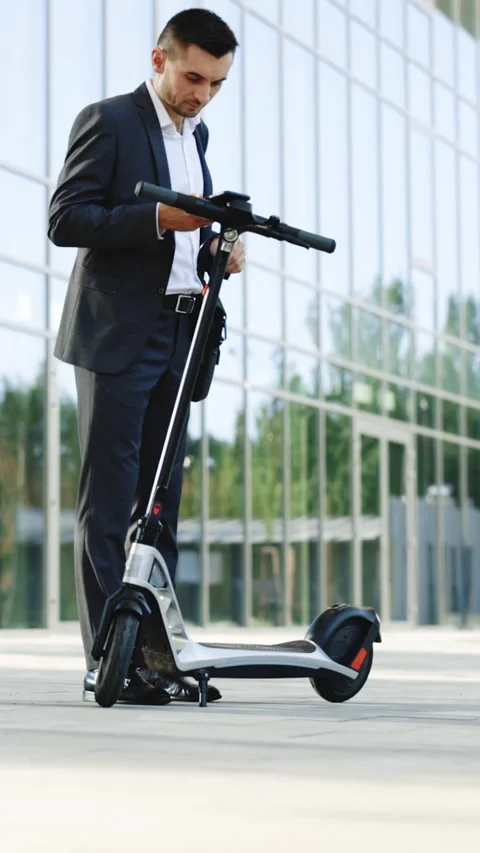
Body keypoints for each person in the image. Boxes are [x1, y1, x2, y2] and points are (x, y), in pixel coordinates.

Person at [48, 8, 245, 704]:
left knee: (159, 509)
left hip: (178, 333)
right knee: (109, 506)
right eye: (194, 77)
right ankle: (111, 661)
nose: (201, 94)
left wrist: (217, 250)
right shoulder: (109, 121)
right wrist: (161, 216)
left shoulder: (201, 136)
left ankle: (156, 655)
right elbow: (66, 218)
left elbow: (185, 242)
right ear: (158, 59)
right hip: (116, 335)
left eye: (216, 84)